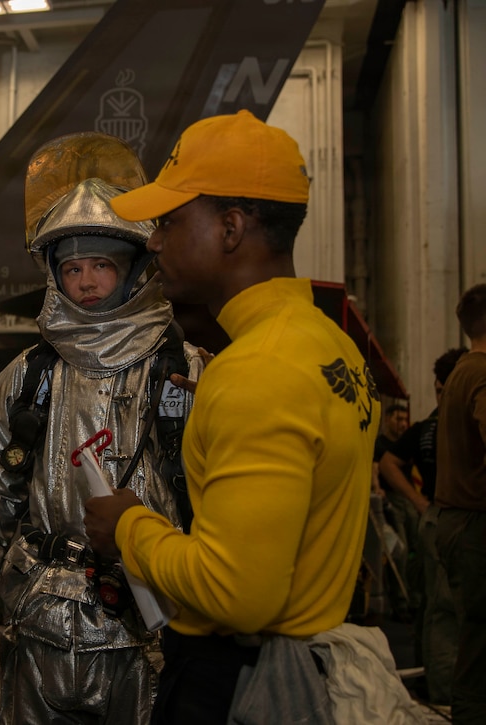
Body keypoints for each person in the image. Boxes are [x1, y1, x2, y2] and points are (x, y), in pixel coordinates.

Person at [83, 110, 386, 724]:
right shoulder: (325, 343)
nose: (154, 242)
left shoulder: (257, 371)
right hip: (301, 670)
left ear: (230, 229)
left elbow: (235, 593)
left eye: (170, 221)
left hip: (239, 686)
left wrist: (128, 526)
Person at [0, 132, 203, 724]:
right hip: (38, 623)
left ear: (134, 268)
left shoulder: (185, 372)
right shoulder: (27, 377)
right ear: (53, 273)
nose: (86, 282)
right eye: (72, 268)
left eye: (101, 266)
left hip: (148, 628)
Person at [382, 347, 466, 705]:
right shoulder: (453, 425)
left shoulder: (428, 427)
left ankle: (436, 686)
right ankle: (445, 695)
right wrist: (419, 502)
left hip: (436, 517)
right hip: (450, 519)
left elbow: (389, 461)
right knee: (446, 611)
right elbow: (387, 462)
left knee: (434, 607)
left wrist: (420, 504)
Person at [435, 283, 486, 723]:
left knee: (473, 633)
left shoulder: (460, 373)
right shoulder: (483, 374)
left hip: (454, 519)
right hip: (475, 525)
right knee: (479, 641)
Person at [374, 400, 416, 622]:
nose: (402, 424)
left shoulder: (405, 443)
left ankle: (414, 598)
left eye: (404, 419)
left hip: (410, 500)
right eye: (398, 419)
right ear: (387, 419)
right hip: (390, 501)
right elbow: (374, 469)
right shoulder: (380, 445)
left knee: (416, 550)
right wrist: (378, 489)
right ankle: (400, 602)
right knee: (400, 551)